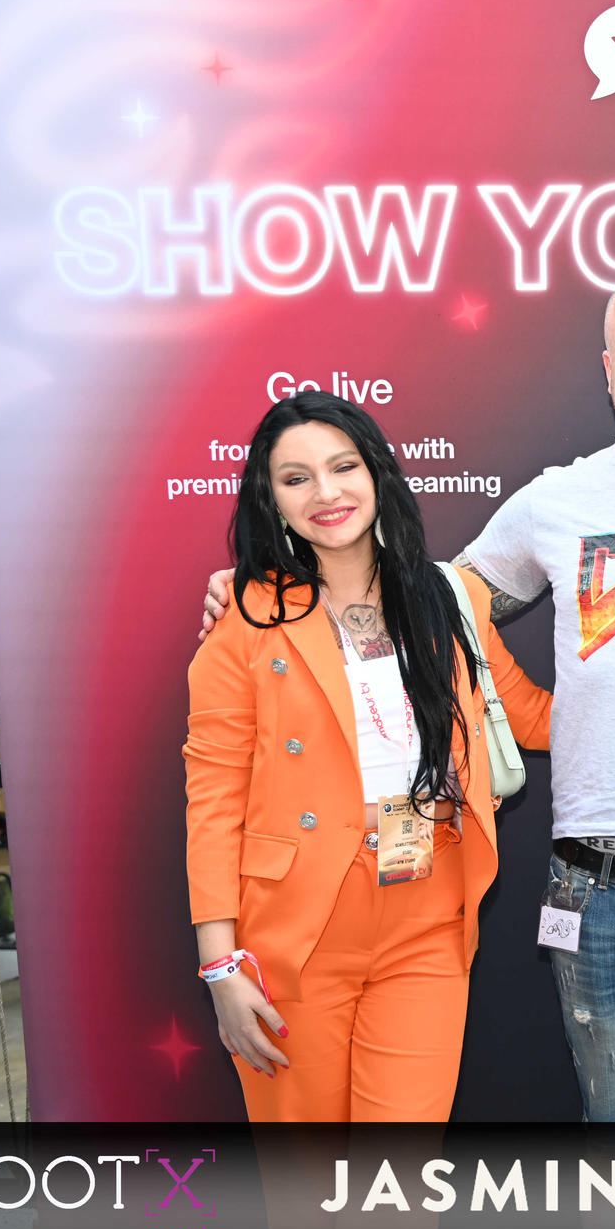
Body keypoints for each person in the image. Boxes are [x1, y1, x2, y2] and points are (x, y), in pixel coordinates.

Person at [201, 269, 615, 1124]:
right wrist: (264, 594)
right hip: (598, 893)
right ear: (607, 369)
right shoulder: (554, 501)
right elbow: (432, 602)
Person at [185, 390, 551, 1121]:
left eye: (343, 466)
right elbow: (214, 800)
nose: (326, 492)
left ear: (377, 472)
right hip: (296, 929)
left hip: (428, 917)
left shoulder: (449, 599)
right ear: (271, 499)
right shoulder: (246, 621)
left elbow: (533, 716)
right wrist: (221, 966)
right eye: (296, 478)